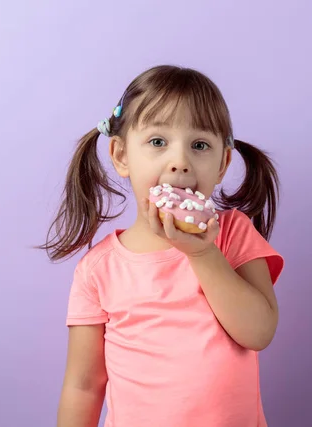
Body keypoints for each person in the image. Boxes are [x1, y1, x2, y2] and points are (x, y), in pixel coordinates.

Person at [40, 65, 285, 427]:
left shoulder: (232, 233)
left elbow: (259, 332)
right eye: (158, 142)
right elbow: (84, 386)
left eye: (199, 145)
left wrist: (203, 253)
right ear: (122, 155)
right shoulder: (99, 269)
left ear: (222, 164)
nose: (180, 163)